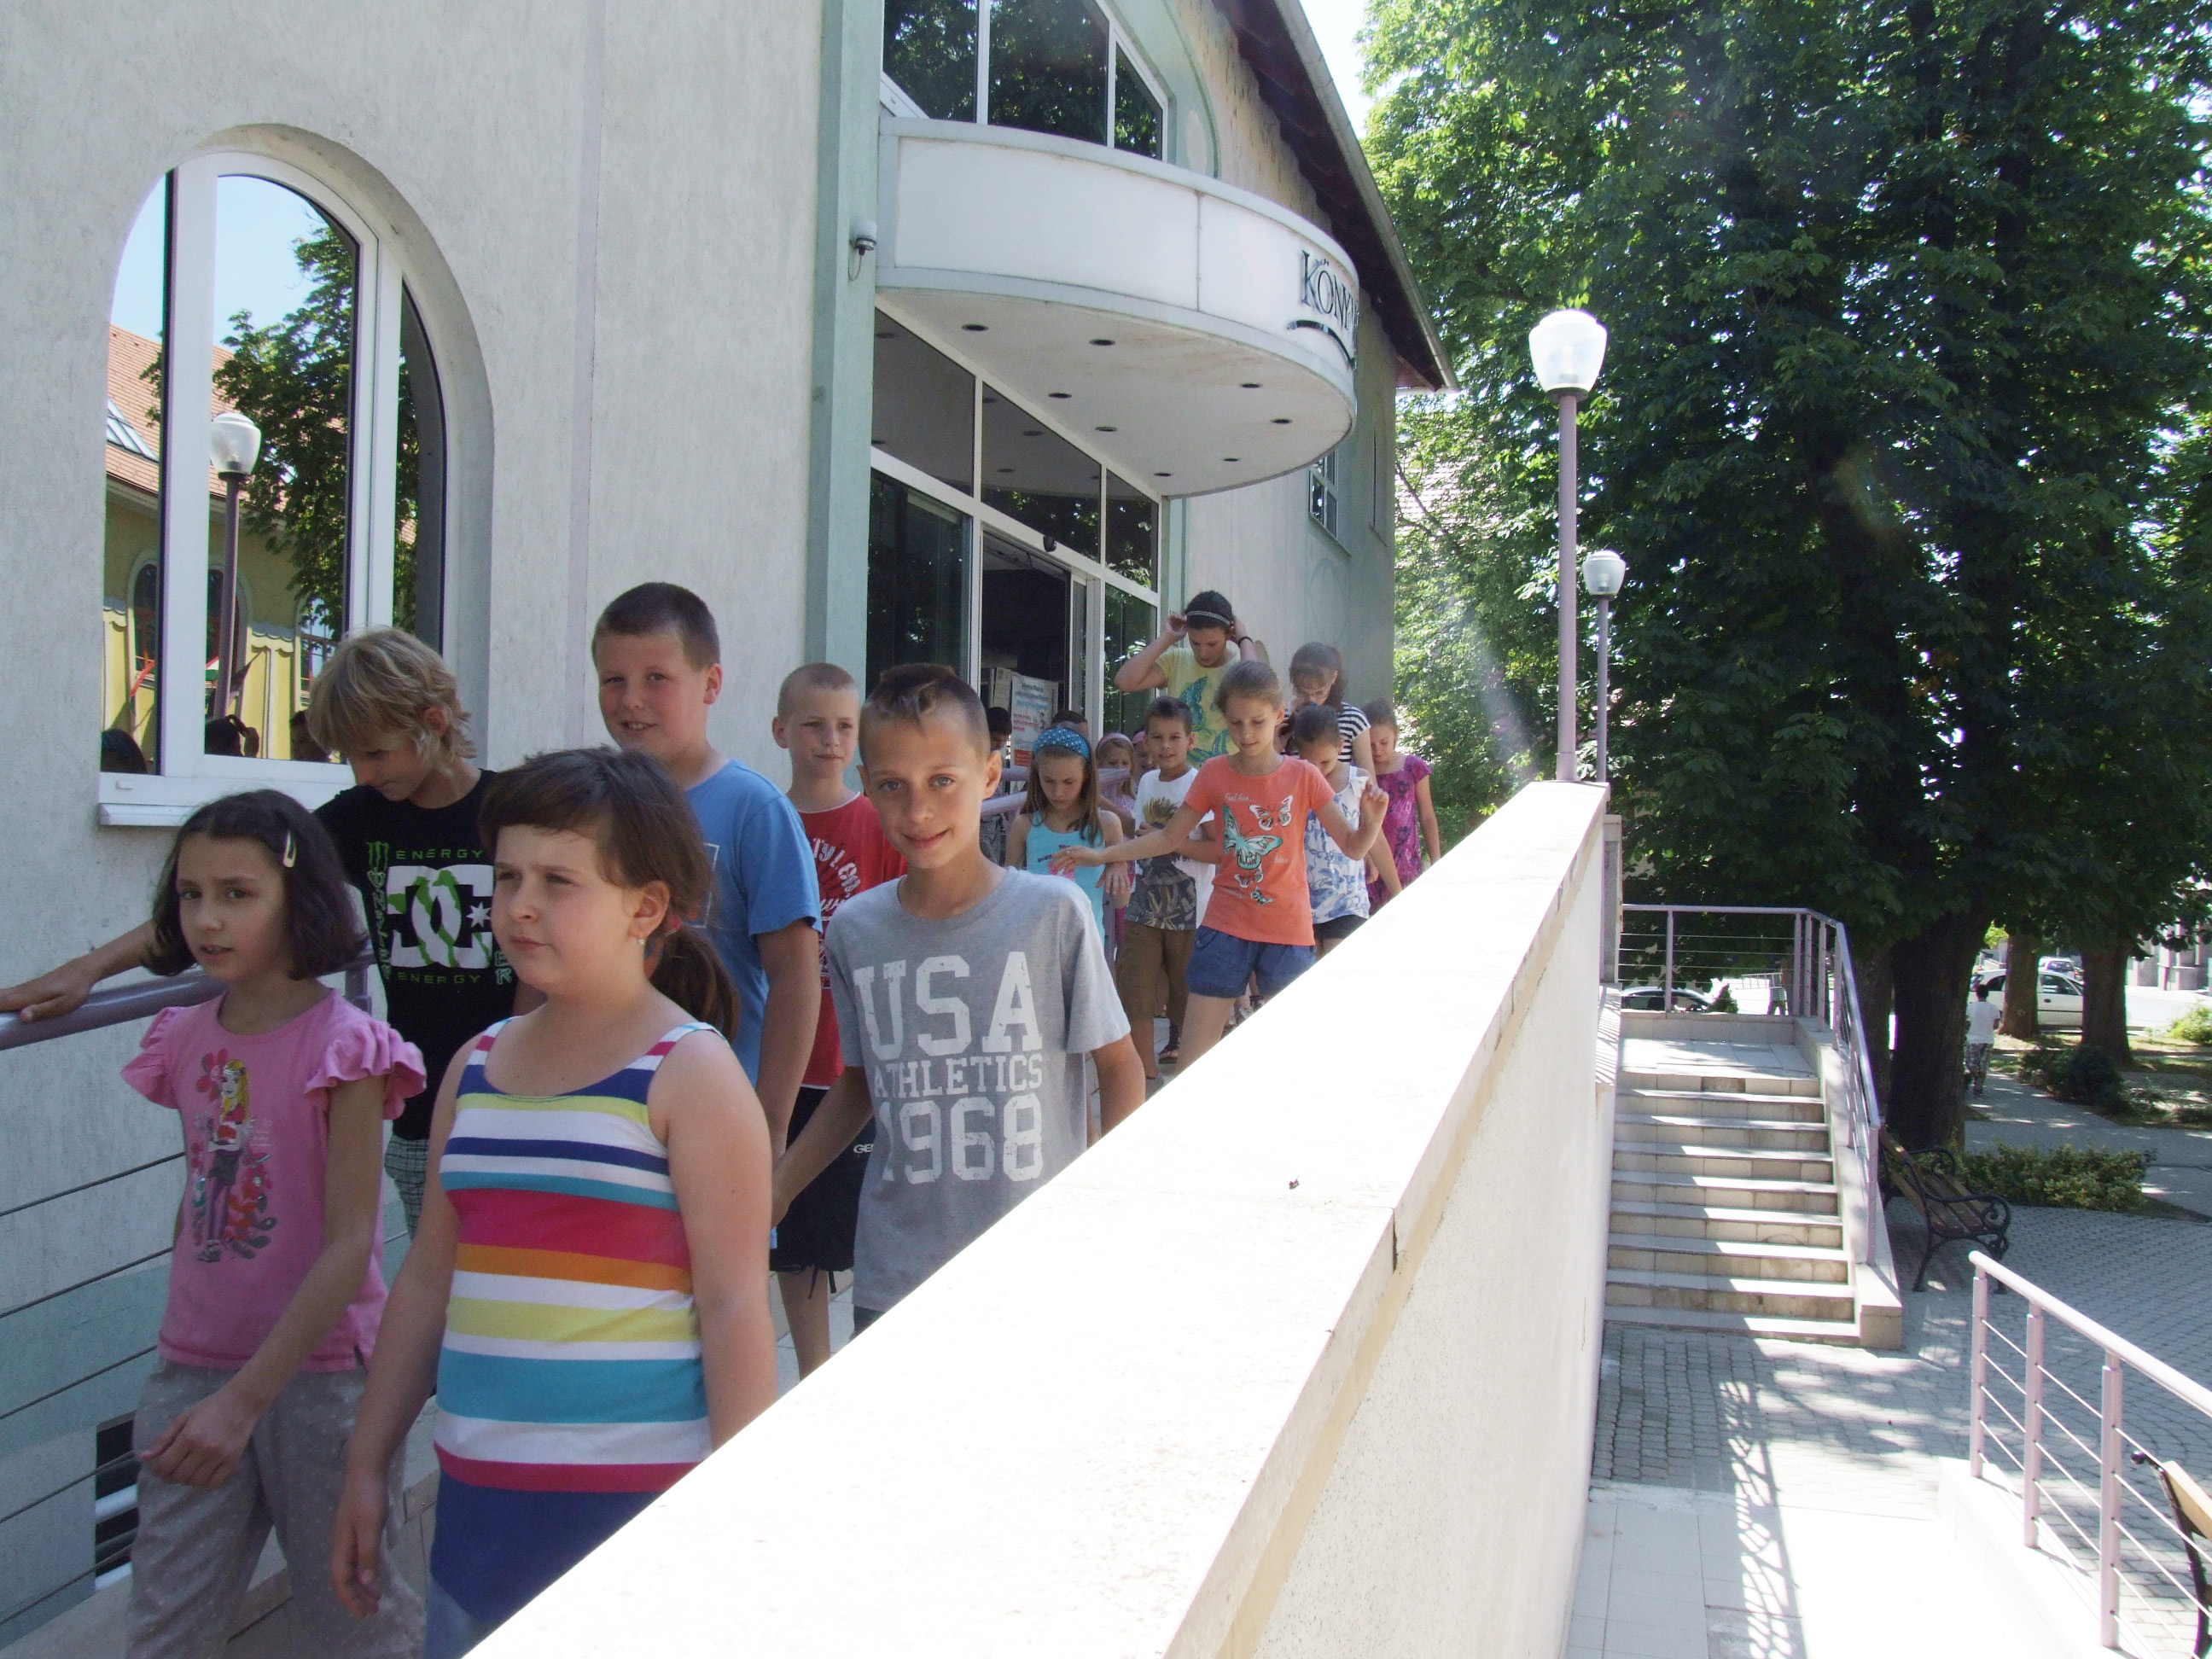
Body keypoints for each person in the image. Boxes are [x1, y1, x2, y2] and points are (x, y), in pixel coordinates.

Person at [330, 748, 778, 1657]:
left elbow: (735, 1305)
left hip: (638, 1512)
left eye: (558, 881)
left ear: (644, 909)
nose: (520, 905)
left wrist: (739, 1519)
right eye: (508, 877)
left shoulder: (690, 1073)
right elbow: (426, 1285)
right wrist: (367, 1465)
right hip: (478, 1513)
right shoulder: (475, 1066)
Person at [3, 628, 521, 1237]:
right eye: (350, 758)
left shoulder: (512, 812)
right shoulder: (360, 818)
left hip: (514, 1100)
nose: (362, 774)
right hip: (422, 1118)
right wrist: (88, 969)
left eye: (376, 754)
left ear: (433, 722)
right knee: (437, 1281)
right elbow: (233, 894)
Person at [119, 791, 425, 1658]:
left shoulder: (346, 1046)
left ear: (300, 898)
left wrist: (245, 1401)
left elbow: (349, 1243)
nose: (208, 919)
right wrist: (203, 1373)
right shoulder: (183, 1037)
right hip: (192, 1370)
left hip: (324, 1383)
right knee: (165, 1625)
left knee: (354, 1615)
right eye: (191, 895)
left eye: (238, 894)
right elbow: (202, 1194)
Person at [772, 666, 1144, 1331]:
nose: (918, 811)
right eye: (894, 785)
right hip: (897, 1276)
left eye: (943, 780)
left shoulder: (1053, 915)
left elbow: (1118, 1066)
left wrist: (1106, 1203)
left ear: (991, 775)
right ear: (867, 784)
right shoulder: (855, 930)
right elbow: (860, 1083)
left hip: (1037, 1271)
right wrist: (777, 1189)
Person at [1055, 661, 1386, 1068]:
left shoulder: (1304, 775)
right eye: (1235, 723)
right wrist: (1103, 854)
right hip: (1225, 928)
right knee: (1193, 1062)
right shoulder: (1214, 773)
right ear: (1224, 719)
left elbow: (1353, 847)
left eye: (1257, 722)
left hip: (1288, 930)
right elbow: (1167, 837)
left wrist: (1371, 823)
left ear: (1279, 715)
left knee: (1290, 1061)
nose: (1246, 734)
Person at [592, 583, 820, 1148]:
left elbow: (795, 977)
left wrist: (772, 1122)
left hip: (719, 1112)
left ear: (711, 684)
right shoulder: (589, 807)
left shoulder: (754, 810)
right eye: (613, 680)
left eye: (656, 678)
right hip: (603, 1106)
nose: (631, 700)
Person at [769, 662, 905, 1377]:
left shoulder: (876, 824)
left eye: (843, 727)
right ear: (781, 731)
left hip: (852, 1064)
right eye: (813, 725)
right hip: (779, 1066)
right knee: (793, 1240)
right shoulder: (766, 820)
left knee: (859, 1231)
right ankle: (815, 1373)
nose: (828, 740)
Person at [1116, 697, 1216, 1080]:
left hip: (1190, 910)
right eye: (1157, 737)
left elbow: (1219, 850)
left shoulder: (1200, 784)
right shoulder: (1146, 781)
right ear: (1146, 742)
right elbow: (1140, 835)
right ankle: (1146, 1075)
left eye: (1175, 737)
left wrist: (1170, 841)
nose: (1165, 746)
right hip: (1144, 902)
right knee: (1136, 989)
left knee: (1188, 995)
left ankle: (1194, 1073)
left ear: (1191, 741)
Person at [1113, 589, 1264, 761]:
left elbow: (1255, 688)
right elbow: (1125, 681)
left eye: (1212, 644)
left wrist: (1244, 638)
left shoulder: (1240, 668)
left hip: (1227, 774)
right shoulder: (1176, 660)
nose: (1203, 653)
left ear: (1229, 634)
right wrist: (1167, 637)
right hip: (1179, 775)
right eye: (1195, 643)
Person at [1008, 725, 1127, 941]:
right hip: (1036, 945)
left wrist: (1118, 866)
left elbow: (1121, 901)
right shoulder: (1023, 826)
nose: (1058, 792)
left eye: (1069, 782)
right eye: (1049, 781)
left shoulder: (1107, 824)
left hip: (1087, 948)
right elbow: (1008, 894)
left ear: (1086, 775)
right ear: (1037, 775)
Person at [1289, 703, 1371, 955]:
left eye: (1325, 761)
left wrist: (1398, 892)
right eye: (1310, 763)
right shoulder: (1292, 782)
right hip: (1304, 902)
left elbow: (1375, 835)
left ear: (1340, 746)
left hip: (1348, 901)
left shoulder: (1358, 780)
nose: (1318, 771)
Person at [1362, 700, 1441, 909]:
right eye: (1371, 744)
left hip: (1407, 863)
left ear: (1395, 735)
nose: (1377, 750)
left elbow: (1427, 817)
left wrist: (1437, 862)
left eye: (1384, 742)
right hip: (1371, 864)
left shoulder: (1413, 767)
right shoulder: (1360, 773)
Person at [1287, 642, 1375, 776]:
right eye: (1302, 692)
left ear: (1334, 677)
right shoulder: (1280, 718)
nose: (1311, 700)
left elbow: (1368, 781)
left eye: (1319, 693)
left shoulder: (1353, 720)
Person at [1095, 732, 1139, 837]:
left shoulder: (1135, 801)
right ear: (1099, 764)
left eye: (1125, 763)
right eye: (1112, 763)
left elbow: (1136, 832)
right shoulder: (1088, 800)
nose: (1119, 769)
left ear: (1131, 766)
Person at [1966, 982, 2001, 1096]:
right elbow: (1996, 1025)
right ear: (1987, 994)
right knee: (1983, 1064)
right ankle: (1979, 1086)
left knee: (1971, 1063)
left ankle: (1977, 1079)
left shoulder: (1971, 1007)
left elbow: (1966, 1021)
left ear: (1977, 994)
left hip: (1973, 1039)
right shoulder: (1994, 1008)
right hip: (1988, 1039)